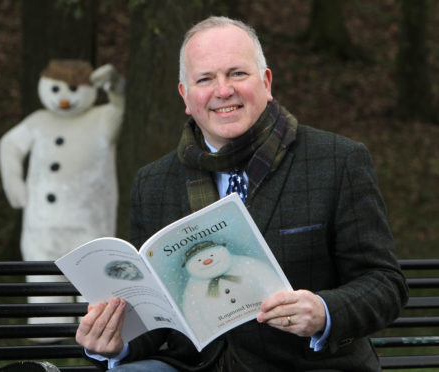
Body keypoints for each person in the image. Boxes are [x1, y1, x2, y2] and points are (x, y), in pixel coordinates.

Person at [75, 16, 408, 371]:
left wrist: (324, 312)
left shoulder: (338, 160)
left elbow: (385, 284)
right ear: (186, 96)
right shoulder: (153, 182)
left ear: (265, 82)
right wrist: (113, 344)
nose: (223, 91)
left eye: (237, 74)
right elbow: (158, 318)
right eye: (205, 79)